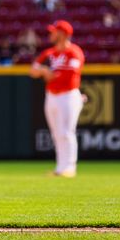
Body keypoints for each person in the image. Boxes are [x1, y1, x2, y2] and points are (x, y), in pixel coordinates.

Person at [30, 20, 85, 178]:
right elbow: (32, 70)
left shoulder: (74, 52)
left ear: (63, 34)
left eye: (54, 31)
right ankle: (60, 167)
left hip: (68, 95)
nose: (51, 34)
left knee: (67, 132)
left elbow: (69, 77)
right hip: (52, 96)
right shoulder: (49, 53)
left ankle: (70, 167)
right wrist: (44, 72)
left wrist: (47, 73)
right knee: (56, 133)